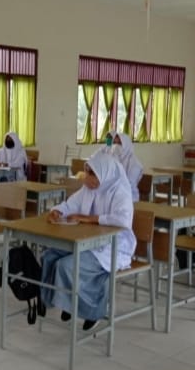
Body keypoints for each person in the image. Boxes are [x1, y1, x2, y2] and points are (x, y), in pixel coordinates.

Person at [41, 153, 136, 331]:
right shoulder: (89, 188)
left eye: (92, 174)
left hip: (112, 247)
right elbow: (70, 205)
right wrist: (57, 211)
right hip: (86, 241)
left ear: (104, 173)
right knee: (49, 256)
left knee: (66, 265)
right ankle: (57, 301)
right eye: (87, 172)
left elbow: (123, 220)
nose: (87, 178)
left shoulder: (119, 191)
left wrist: (89, 219)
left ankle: (90, 311)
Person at [112, 132, 144, 202]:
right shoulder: (115, 158)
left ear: (126, 145)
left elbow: (128, 184)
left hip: (129, 197)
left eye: (119, 143)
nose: (116, 146)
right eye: (115, 143)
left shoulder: (135, 164)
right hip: (114, 195)